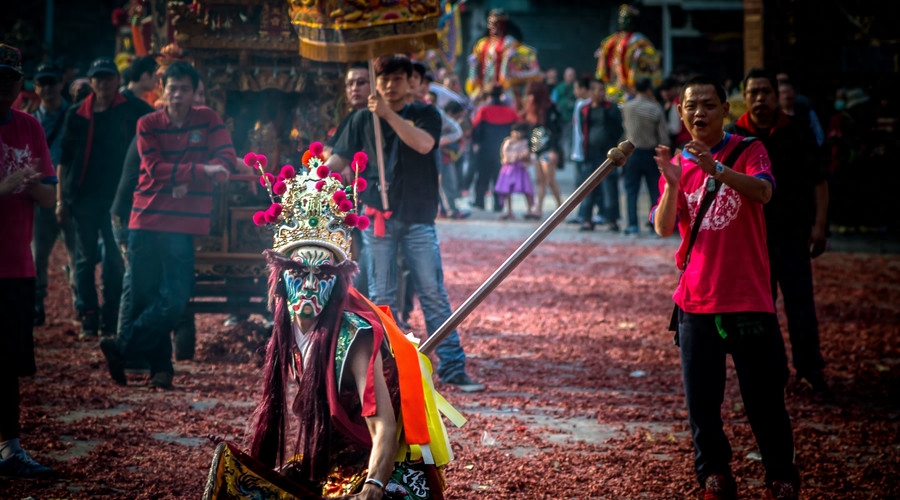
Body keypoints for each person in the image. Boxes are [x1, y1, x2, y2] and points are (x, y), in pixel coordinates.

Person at [203, 146, 460, 498]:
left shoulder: (352, 338)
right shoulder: (286, 331)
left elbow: (383, 427)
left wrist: (372, 486)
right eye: (299, 274)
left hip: (384, 466)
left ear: (336, 282)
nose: (309, 286)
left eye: (322, 275)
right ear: (280, 277)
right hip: (336, 458)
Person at [652, 75, 800, 500]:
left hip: (748, 297)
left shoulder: (749, 150)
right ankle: (714, 474)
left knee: (764, 398)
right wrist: (675, 182)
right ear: (680, 112)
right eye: (691, 106)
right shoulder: (676, 165)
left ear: (725, 110)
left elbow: (764, 192)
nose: (700, 113)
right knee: (702, 403)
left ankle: (780, 475)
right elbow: (664, 228)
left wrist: (715, 169)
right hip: (696, 300)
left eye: (709, 105)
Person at [326, 55, 484, 392]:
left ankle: (453, 366)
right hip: (378, 217)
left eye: (397, 79)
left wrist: (388, 115)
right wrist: (317, 177)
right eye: (383, 79)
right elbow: (338, 158)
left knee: (432, 292)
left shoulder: (425, 114)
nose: (389, 86)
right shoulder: (359, 119)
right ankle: (390, 366)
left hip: (416, 216)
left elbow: (424, 144)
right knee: (381, 295)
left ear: (409, 82)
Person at [100, 62, 238, 389]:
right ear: (162, 89)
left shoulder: (208, 119)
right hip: (146, 218)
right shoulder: (148, 122)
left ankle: (123, 345)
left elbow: (227, 158)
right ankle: (161, 370)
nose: (177, 95)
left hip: (181, 224)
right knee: (148, 296)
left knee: (176, 295)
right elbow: (155, 168)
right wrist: (200, 171)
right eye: (172, 88)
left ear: (194, 93)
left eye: (184, 89)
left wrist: (195, 172)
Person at [726, 68, 830, 396]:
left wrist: (819, 225)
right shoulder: (734, 136)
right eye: (753, 92)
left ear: (776, 95)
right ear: (744, 96)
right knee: (761, 309)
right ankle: (774, 370)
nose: (759, 99)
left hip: (794, 234)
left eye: (765, 92)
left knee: (801, 306)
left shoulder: (797, 131)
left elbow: (819, 181)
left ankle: (810, 369)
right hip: (751, 242)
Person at [56, 57, 154, 340]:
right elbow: (64, 160)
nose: (103, 83)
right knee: (85, 258)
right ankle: (87, 313)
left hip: (119, 198)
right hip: (83, 196)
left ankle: (110, 315)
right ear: (91, 81)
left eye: (108, 77)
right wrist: (62, 200)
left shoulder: (132, 109)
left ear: (117, 81)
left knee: (114, 259)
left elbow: (156, 122)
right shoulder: (77, 113)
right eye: (98, 78)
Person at [0, 43, 56, 479]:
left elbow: (49, 195)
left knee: (10, 364)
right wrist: (10, 184)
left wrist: (29, 185)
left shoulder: (30, 127)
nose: (3, 89)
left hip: (18, 263)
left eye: (10, 82)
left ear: (21, 85)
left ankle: (11, 448)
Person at [30, 62, 77, 326]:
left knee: (76, 253)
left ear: (61, 84)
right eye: (42, 83)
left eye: (52, 82)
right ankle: (37, 305)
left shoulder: (74, 116)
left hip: (70, 192)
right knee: (39, 254)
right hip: (42, 193)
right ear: (36, 87)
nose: (48, 88)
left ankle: (81, 305)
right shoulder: (30, 121)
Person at [572, 77, 624, 231]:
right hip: (590, 154)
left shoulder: (612, 109)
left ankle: (612, 220)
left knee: (610, 189)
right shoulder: (584, 110)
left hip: (609, 156)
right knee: (588, 187)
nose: (602, 93)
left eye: (603, 90)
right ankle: (586, 219)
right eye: (599, 90)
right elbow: (582, 131)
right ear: (591, 92)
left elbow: (618, 129)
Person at [622, 77, 669, 235]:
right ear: (649, 89)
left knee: (631, 191)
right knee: (654, 191)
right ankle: (654, 223)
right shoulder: (655, 109)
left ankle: (632, 224)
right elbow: (663, 136)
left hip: (631, 153)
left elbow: (624, 130)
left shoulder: (627, 107)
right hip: (650, 154)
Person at [465, 9, 540, 101]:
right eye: (490, 23)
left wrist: (512, 58)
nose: (491, 26)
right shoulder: (482, 44)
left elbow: (524, 64)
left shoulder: (510, 42)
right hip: (484, 87)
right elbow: (474, 69)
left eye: (496, 23)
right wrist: (473, 65)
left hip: (504, 89)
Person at [595, 4, 662, 103]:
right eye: (621, 18)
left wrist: (638, 57)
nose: (622, 21)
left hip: (631, 84)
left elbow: (651, 60)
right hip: (615, 82)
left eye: (626, 18)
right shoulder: (613, 39)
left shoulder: (639, 40)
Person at [468, 85, 518, 211]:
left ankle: (480, 201)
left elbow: (476, 128)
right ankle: (498, 204)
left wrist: (476, 142)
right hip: (504, 149)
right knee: (499, 176)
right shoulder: (510, 111)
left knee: (482, 176)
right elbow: (518, 126)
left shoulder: (484, 110)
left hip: (485, 147)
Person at [521, 81, 563, 219]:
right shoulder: (531, 109)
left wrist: (554, 150)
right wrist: (528, 149)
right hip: (536, 150)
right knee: (539, 180)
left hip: (548, 149)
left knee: (549, 180)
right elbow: (529, 131)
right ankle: (538, 209)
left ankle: (561, 208)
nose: (530, 98)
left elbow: (557, 131)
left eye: (533, 95)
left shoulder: (550, 108)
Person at [495, 122, 535, 220]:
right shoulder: (508, 142)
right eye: (516, 132)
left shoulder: (525, 143)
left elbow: (529, 156)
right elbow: (505, 155)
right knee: (507, 190)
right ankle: (509, 210)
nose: (518, 134)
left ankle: (530, 210)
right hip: (509, 168)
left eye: (520, 132)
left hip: (521, 168)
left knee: (526, 189)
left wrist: (526, 156)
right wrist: (517, 156)